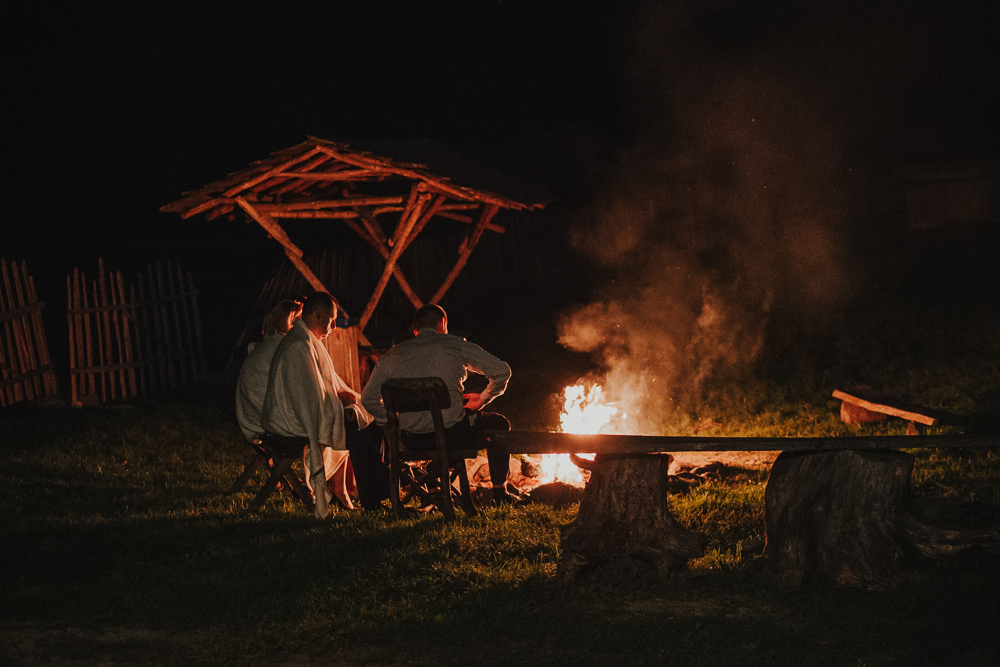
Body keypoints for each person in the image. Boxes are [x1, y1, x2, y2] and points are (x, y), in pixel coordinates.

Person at [360, 304, 517, 505]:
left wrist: (393, 419)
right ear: (442, 324)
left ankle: (434, 492)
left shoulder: (393, 355)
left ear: (416, 330)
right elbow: (502, 371)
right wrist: (484, 397)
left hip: (413, 440)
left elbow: (367, 398)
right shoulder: (455, 345)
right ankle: (499, 494)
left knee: (437, 424)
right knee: (499, 424)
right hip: (453, 436)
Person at [261, 292, 388, 516]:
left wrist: (344, 400)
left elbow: (320, 387)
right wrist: (340, 408)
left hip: (304, 415)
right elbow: (306, 398)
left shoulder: (308, 341)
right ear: (318, 315)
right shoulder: (298, 346)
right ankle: (373, 502)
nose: (334, 325)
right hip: (291, 422)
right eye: (331, 318)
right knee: (361, 433)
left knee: (370, 427)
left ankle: (377, 497)